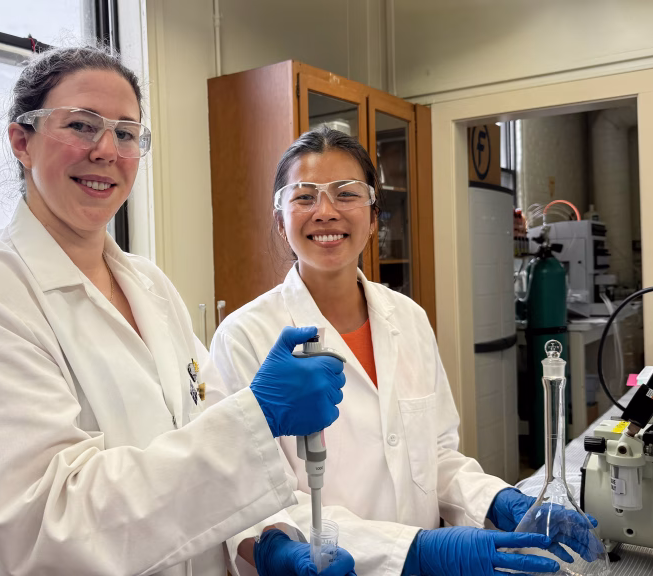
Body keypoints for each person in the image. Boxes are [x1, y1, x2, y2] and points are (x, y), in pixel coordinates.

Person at [0, 46, 357, 576]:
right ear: (22, 142)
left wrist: (262, 543)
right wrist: (258, 417)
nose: (106, 150)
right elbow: (47, 524)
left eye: (126, 133)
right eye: (81, 126)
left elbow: (211, 444)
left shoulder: (149, 285)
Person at [207, 127, 601, 576]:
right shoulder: (243, 336)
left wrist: (494, 498)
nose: (326, 211)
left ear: (374, 217)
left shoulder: (408, 318)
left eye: (346, 194)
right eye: (304, 197)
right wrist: (409, 550)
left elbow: (437, 457)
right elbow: (251, 501)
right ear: (281, 221)